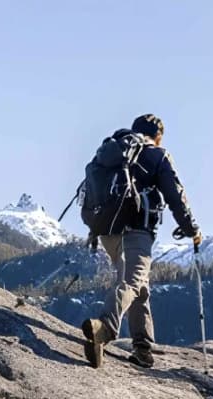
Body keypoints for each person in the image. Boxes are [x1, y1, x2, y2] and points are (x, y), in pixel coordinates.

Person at [81, 114, 202, 370]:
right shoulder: (157, 155)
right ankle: (104, 328)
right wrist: (191, 229)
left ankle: (143, 349)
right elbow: (175, 196)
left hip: (107, 230)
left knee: (139, 285)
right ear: (157, 136)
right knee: (133, 282)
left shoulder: (113, 152)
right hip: (136, 229)